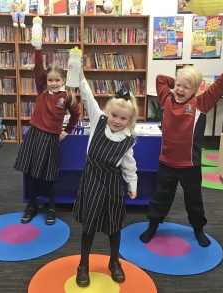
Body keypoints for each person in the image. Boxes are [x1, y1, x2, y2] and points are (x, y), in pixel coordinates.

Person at [139, 55, 223, 247]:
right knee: (161, 197)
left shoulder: (199, 104)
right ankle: (153, 225)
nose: (179, 90)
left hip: (190, 166)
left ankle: (198, 229)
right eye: (178, 85)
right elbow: (160, 78)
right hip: (166, 162)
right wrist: (176, 80)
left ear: (195, 90)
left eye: (186, 87)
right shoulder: (165, 99)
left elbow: (219, 87)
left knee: (194, 200)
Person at [73, 66, 139, 287]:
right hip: (92, 181)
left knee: (114, 226)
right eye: (114, 115)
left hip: (112, 185)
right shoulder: (98, 120)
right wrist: (80, 73)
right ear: (107, 112)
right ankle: (83, 264)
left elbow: (130, 165)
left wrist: (132, 184)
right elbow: (87, 95)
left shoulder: (128, 139)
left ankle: (114, 261)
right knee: (89, 226)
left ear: (129, 120)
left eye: (123, 118)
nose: (117, 121)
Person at [14, 44, 80, 225]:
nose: (53, 83)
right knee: (32, 174)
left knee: (51, 175)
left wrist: (67, 131)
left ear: (63, 80)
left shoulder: (67, 96)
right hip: (35, 135)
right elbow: (38, 67)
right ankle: (32, 206)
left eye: (57, 80)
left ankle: (51, 207)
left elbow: (76, 115)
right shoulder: (42, 89)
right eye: (50, 80)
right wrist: (38, 49)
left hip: (51, 138)